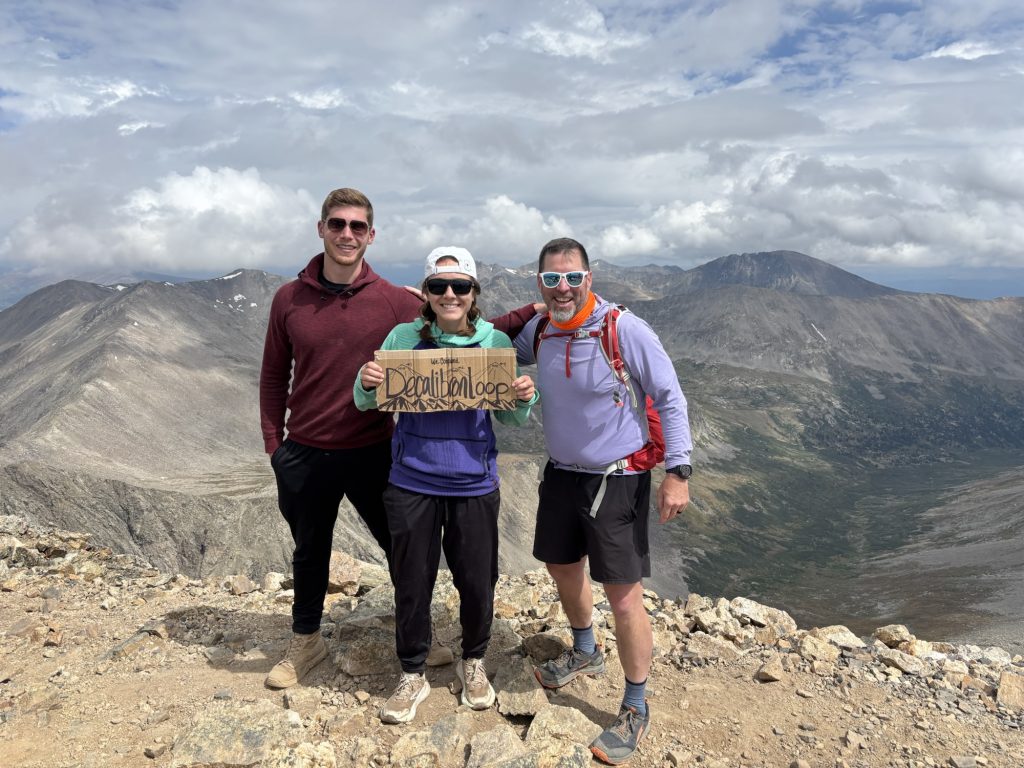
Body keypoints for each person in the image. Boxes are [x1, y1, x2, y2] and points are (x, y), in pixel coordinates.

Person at [259, 189, 539, 690]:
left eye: (357, 226)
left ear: (371, 234)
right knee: (310, 550)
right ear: (321, 228)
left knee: (404, 553)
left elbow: (470, 337)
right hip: (306, 448)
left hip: (373, 450)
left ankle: (422, 638)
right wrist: (273, 445)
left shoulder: (393, 299)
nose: (347, 234)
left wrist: (535, 311)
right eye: (337, 224)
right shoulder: (290, 299)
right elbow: (274, 372)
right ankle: (306, 641)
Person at [513, 238, 692, 765]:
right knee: (562, 566)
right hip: (562, 473)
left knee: (624, 595)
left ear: (589, 279)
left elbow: (670, 396)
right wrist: (433, 310)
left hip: (617, 479)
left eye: (573, 277)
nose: (563, 288)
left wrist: (678, 472)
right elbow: (485, 345)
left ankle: (635, 705)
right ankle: (586, 651)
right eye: (552, 279)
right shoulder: (539, 329)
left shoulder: (622, 328)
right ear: (540, 283)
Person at [354, 246, 538, 724]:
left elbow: (511, 418)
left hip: (474, 481)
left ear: (474, 293)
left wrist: (523, 395)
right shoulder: (402, 338)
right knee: (412, 579)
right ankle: (412, 671)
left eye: (460, 286)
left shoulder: (495, 341)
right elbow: (366, 401)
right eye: (439, 286)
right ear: (427, 293)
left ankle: (473, 659)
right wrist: (367, 380)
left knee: (477, 580)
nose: (449, 294)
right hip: (412, 480)